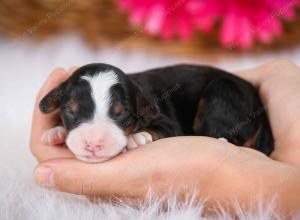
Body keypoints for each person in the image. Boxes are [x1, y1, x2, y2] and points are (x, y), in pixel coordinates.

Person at [30, 60, 300, 215]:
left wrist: (149, 134)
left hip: (230, 96)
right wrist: (67, 132)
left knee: (218, 103)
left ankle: (228, 140)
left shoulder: (146, 104)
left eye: (119, 116)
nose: (92, 140)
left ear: (141, 110)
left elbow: (166, 126)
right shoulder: (120, 100)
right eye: (73, 114)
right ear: (59, 104)